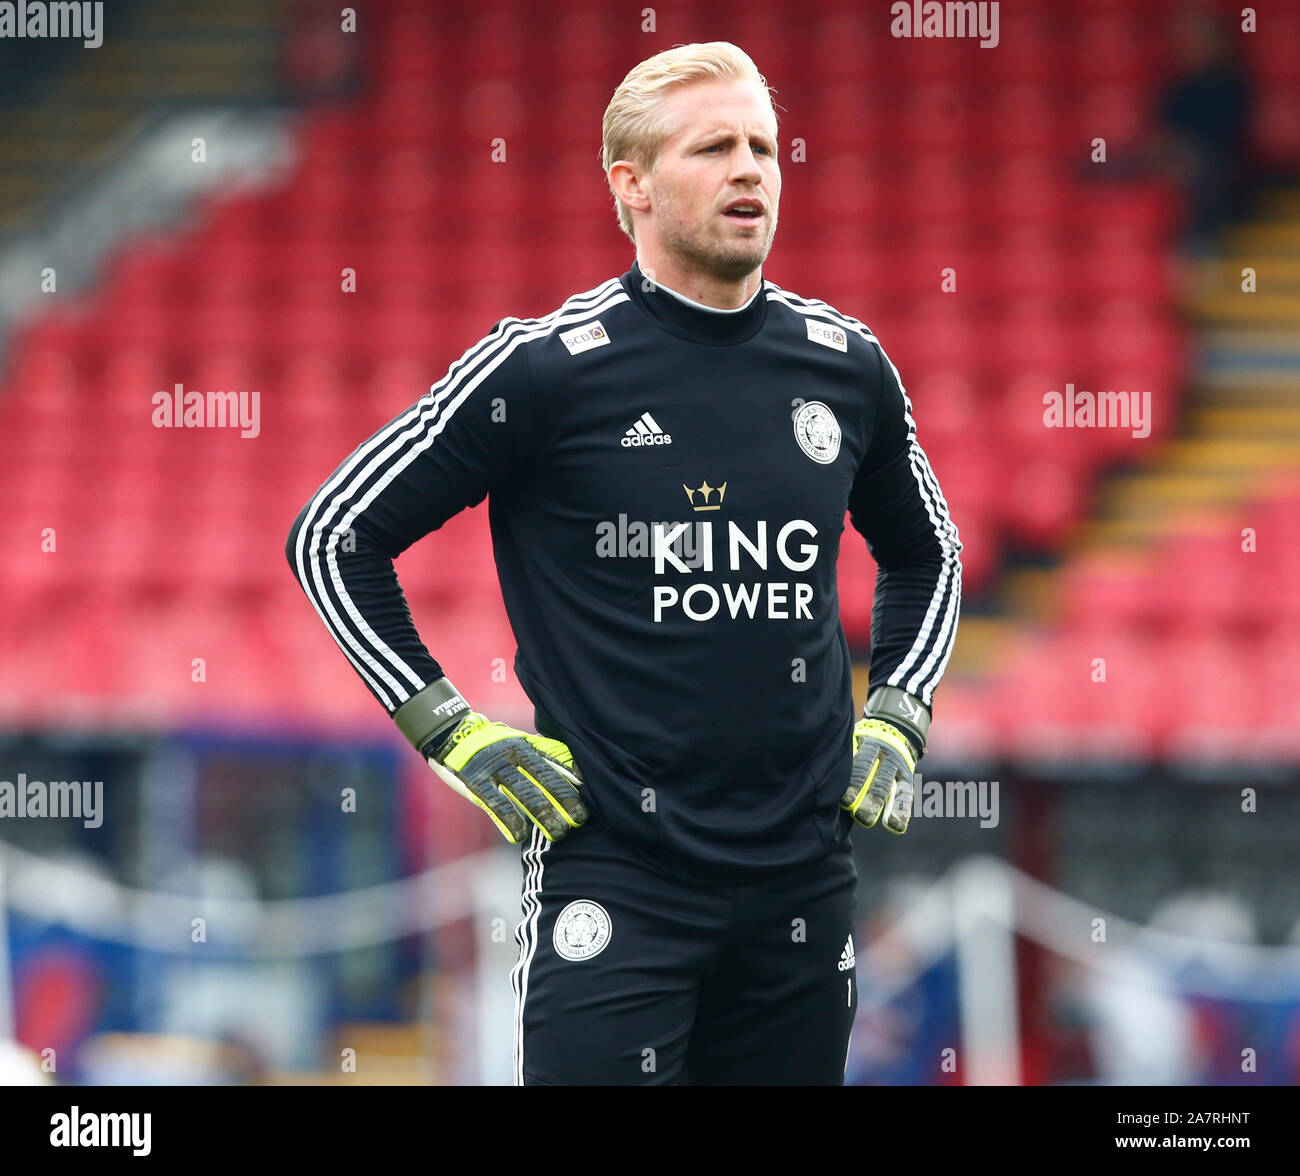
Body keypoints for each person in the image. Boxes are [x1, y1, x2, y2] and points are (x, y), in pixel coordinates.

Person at [286, 41, 962, 1085]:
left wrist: (902, 712)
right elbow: (334, 534)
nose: (750, 170)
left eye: (763, 147)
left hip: (802, 878)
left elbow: (927, 554)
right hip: (617, 877)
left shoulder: (844, 365)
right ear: (631, 186)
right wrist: (452, 733)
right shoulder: (542, 369)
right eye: (714, 148)